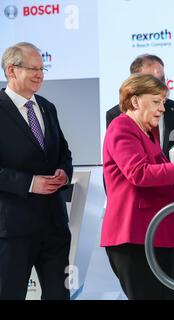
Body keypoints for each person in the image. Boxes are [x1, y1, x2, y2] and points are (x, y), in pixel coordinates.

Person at [101, 73, 174, 300]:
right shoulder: (122, 127)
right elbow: (139, 173)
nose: (162, 109)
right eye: (156, 102)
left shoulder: (147, 132)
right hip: (135, 236)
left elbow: (154, 176)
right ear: (135, 101)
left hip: (154, 234)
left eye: (164, 103)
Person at [0, 42, 73, 299]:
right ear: (11, 70)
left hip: (54, 225)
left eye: (42, 68)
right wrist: (30, 183)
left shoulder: (47, 106)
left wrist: (64, 173)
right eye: (33, 68)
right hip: (13, 229)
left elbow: (63, 152)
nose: (40, 74)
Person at [106, 54, 174, 159]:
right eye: (153, 82)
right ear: (135, 83)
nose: (161, 86)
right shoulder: (117, 119)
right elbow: (138, 171)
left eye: (162, 80)